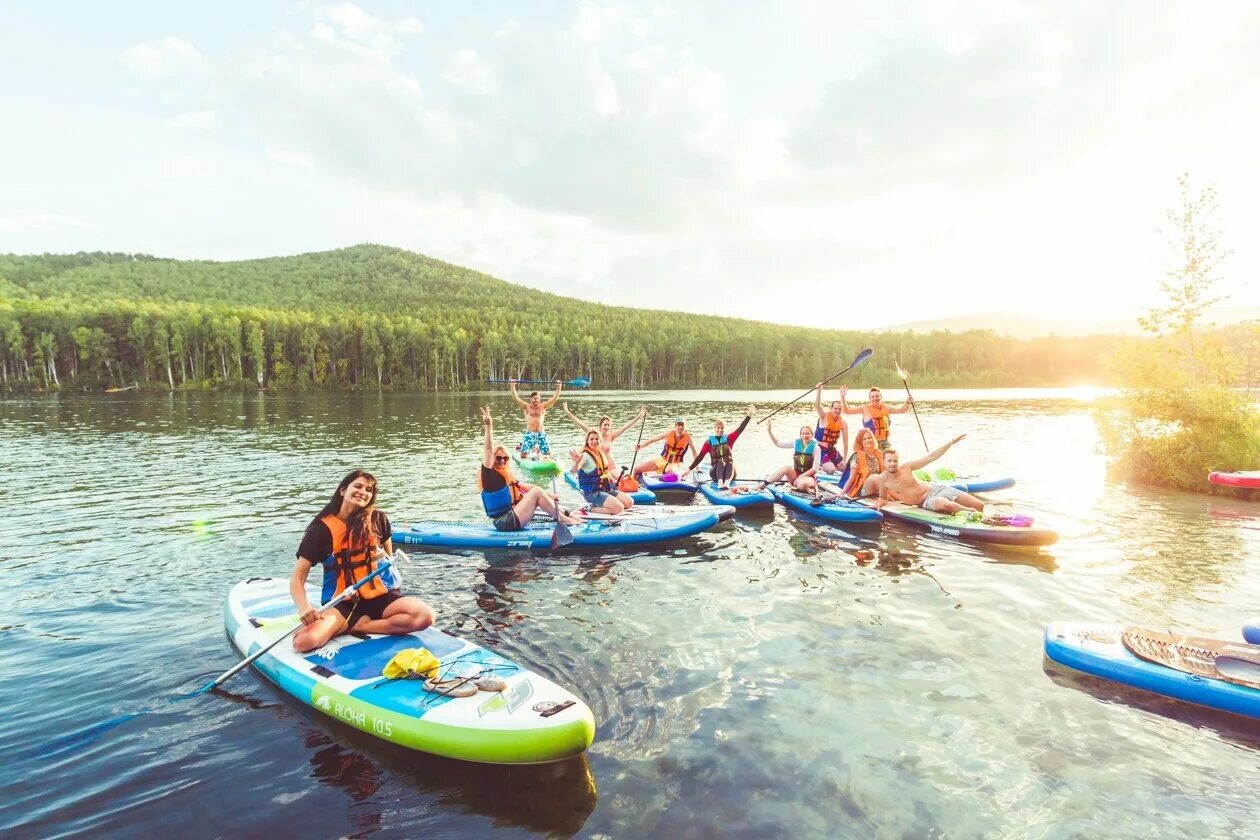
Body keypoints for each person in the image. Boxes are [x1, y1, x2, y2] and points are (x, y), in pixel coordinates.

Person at [291, 470, 436, 653]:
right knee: (304, 642)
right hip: (344, 602)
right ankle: (347, 623)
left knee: (425, 616)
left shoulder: (378, 519)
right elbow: (297, 578)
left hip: (380, 596)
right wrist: (304, 607)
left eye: (369, 490)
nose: (363, 492)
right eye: (358, 486)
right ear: (343, 490)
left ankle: (361, 626)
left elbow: (388, 558)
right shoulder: (320, 531)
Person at [480, 406, 583, 530]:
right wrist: (489, 427)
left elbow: (527, 487)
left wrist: (550, 495)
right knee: (536, 493)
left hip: (512, 516)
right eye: (498, 458)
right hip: (504, 522)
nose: (502, 460)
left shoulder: (506, 476)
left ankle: (567, 515)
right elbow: (488, 450)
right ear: (492, 459)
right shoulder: (489, 475)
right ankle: (564, 520)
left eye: (505, 458)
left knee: (537, 491)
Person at [873, 435, 984, 514]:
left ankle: (984, 521)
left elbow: (931, 457)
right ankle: (970, 512)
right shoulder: (883, 479)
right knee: (947, 505)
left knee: (979, 505)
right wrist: (877, 505)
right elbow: (882, 498)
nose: (893, 464)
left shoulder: (907, 467)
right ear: (883, 462)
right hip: (926, 501)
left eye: (895, 461)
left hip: (936, 489)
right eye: (889, 461)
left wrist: (951, 442)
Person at [562, 403, 647, 474]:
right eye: (605, 425)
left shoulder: (611, 436)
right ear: (600, 425)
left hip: (611, 466)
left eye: (608, 425)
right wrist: (568, 413)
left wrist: (638, 417)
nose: (606, 427)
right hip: (598, 468)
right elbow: (580, 423)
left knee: (620, 482)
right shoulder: (593, 434)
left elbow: (625, 427)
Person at [569, 429, 637, 514]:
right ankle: (591, 508)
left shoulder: (599, 453)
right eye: (592, 439)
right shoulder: (584, 456)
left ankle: (604, 505)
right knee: (619, 509)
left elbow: (605, 472)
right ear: (587, 441)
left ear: (600, 441)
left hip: (605, 489)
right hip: (592, 493)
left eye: (597, 439)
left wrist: (613, 480)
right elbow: (573, 471)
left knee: (629, 502)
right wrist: (577, 462)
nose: (594, 441)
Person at [687, 405, 755, 488]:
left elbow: (740, 429)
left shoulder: (729, 439)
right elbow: (700, 457)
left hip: (729, 474)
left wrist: (749, 416)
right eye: (718, 428)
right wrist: (688, 470)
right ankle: (720, 483)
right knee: (720, 462)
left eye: (722, 428)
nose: (720, 430)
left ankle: (726, 483)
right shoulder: (709, 443)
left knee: (730, 463)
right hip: (716, 474)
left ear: (724, 429)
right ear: (714, 428)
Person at [840, 385, 912, 450]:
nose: (875, 398)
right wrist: (842, 397)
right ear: (870, 398)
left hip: (885, 442)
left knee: (889, 460)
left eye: (877, 396)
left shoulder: (886, 407)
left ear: (881, 397)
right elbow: (847, 411)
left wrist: (908, 402)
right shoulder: (865, 408)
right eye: (873, 397)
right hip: (872, 443)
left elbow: (902, 410)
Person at [509, 379, 562, 458]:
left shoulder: (543, 406)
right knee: (523, 455)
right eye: (534, 398)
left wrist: (559, 388)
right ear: (531, 399)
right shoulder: (526, 407)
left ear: (539, 399)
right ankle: (534, 449)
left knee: (548, 454)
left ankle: (537, 450)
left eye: (538, 398)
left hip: (541, 434)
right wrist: (512, 386)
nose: (536, 400)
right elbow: (516, 398)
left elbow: (554, 399)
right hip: (530, 434)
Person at [761, 421, 819, 492]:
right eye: (803, 434)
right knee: (786, 468)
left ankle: (808, 489)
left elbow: (815, 468)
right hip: (795, 475)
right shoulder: (795, 443)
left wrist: (800, 477)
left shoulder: (816, 448)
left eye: (807, 433)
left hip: (808, 477)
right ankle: (762, 485)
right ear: (800, 435)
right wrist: (769, 431)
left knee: (800, 484)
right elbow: (778, 444)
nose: (805, 436)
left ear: (812, 435)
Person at [634, 418, 699, 478]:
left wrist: (696, 467)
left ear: (685, 427)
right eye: (679, 425)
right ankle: (635, 487)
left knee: (671, 472)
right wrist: (640, 446)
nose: (681, 427)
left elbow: (694, 452)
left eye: (682, 425)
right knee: (636, 469)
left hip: (675, 463)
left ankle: (668, 478)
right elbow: (652, 440)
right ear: (675, 426)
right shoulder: (669, 433)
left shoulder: (688, 437)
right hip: (662, 460)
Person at [813, 382, 850, 474]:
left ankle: (829, 466)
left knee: (845, 467)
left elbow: (845, 444)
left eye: (839, 409)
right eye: (835, 408)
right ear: (831, 408)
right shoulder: (824, 416)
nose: (837, 411)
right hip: (818, 449)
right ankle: (817, 466)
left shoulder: (843, 424)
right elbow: (817, 405)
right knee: (831, 469)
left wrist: (844, 459)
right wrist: (819, 390)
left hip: (831, 449)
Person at [839, 428, 885, 498]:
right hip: (862, 490)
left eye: (869, 438)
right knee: (874, 477)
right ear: (860, 442)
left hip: (878, 487)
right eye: (864, 439)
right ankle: (886, 497)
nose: (867, 440)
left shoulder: (879, 453)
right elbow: (852, 478)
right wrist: (842, 493)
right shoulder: (856, 457)